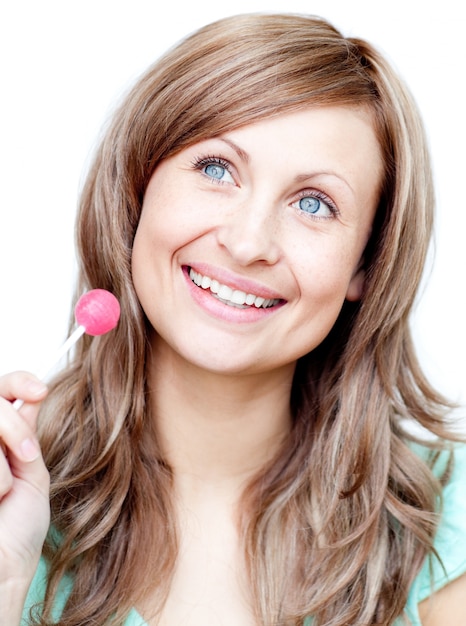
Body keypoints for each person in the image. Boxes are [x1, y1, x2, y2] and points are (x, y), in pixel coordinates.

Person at [1, 12, 465, 626]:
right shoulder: (15, 495)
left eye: (313, 204)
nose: (249, 243)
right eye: (217, 169)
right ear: (138, 189)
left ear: (365, 266)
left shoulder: (447, 515)